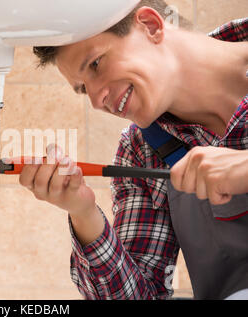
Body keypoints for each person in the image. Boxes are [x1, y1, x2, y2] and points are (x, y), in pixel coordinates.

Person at [18, 0, 248, 299]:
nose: (97, 101)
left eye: (96, 64)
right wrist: (84, 213)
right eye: (84, 89)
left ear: (150, 26)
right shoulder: (142, 150)